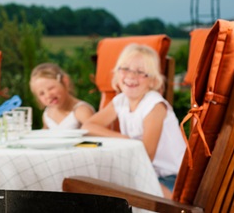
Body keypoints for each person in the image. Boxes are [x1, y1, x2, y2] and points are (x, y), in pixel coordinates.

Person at [82, 43, 186, 198]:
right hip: (145, 172)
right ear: (117, 74)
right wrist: (123, 139)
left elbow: (146, 155)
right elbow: (88, 126)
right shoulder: (121, 101)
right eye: (125, 69)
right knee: (98, 185)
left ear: (152, 81)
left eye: (141, 72)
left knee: (110, 190)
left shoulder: (154, 105)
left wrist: (124, 144)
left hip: (173, 179)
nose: (131, 76)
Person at [30, 63, 95, 129]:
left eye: (51, 88)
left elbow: (95, 132)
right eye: (42, 93)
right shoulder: (48, 114)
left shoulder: (81, 111)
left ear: (65, 81)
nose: (48, 95)